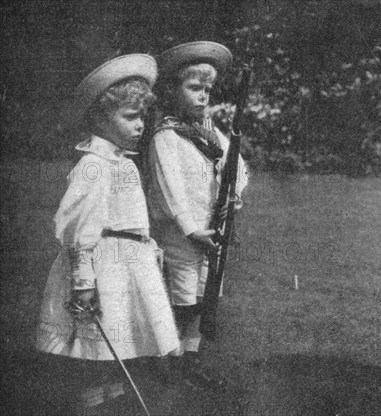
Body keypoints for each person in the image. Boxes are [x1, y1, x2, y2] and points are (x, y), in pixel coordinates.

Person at [36, 54, 180, 413]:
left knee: (127, 342)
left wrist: (149, 248)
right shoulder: (93, 166)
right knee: (99, 344)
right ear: (99, 118)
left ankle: (114, 401)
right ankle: (94, 402)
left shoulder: (124, 163)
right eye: (130, 117)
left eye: (143, 116)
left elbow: (133, 218)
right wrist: (83, 281)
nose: (140, 125)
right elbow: (79, 229)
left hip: (132, 265)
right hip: (105, 268)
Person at [144, 41, 248, 373]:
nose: (203, 96)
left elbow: (239, 166)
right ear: (172, 90)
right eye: (193, 88)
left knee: (207, 292)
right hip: (181, 230)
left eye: (207, 89)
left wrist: (234, 194)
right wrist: (190, 228)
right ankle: (170, 359)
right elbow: (169, 189)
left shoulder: (212, 135)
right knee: (183, 292)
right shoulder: (167, 136)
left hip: (213, 227)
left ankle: (192, 356)